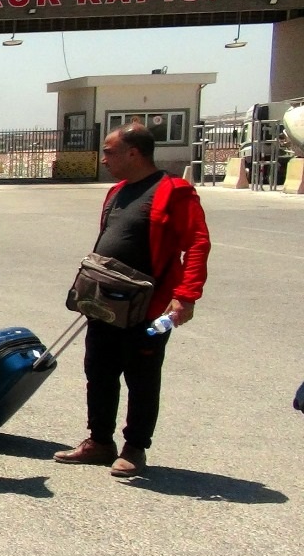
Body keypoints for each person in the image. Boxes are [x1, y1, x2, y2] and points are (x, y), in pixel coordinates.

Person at [53, 125, 210, 477]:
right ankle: (99, 441)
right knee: (99, 370)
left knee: (142, 375)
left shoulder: (174, 192)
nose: (104, 158)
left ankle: (135, 448)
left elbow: (197, 244)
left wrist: (185, 297)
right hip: (105, 304)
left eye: (109, 151)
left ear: (133, 153)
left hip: (152, 309)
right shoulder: (116, 192)